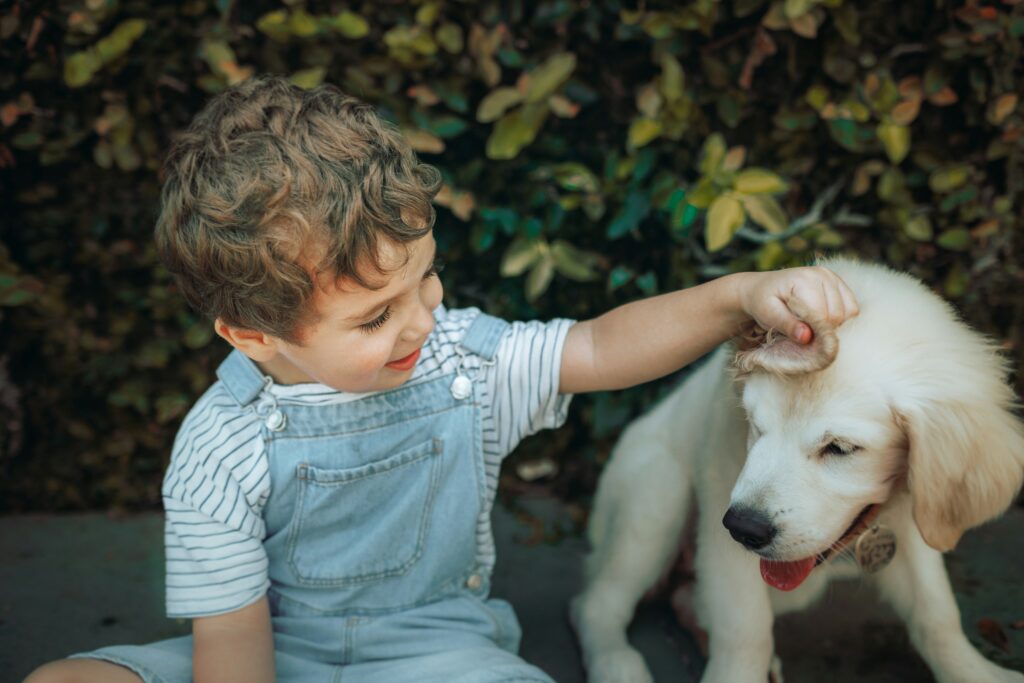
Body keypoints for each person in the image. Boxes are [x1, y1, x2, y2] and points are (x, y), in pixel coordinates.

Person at [25, 75, 858, 683]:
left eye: (425, 278)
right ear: (255, 334)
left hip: (438, 655)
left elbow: (602, 348)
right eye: (374, 315)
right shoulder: (219, 443)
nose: (421, 318)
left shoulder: (463, 363)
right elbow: (233, 651)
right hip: (268, 656)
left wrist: (738, 297)